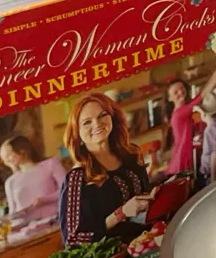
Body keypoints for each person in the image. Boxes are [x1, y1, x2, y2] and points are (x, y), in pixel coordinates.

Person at [58, 93, 152, 246]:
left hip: (150, 240)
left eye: (102, 115)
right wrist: (120, 214)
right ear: (77, 133)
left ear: (113, 118)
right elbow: (73, 239)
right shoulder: (77, 178)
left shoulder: (131, 155)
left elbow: (145, 194)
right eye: (87, 122)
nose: (97, 124)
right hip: (118, 255)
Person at [163, 54, 216, 175]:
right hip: (183, 157)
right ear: (170, 98)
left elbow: (203, 93)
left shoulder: (182, 109)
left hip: (184, 154)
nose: (180, 92)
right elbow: (204, 93)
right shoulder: (179, 114)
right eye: (176, 92)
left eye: (182, 88)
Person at [0, 134, 68, 224]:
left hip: (56, 221)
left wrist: (44, 200)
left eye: (8, 155)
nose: (6, 161)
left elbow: (67, 190)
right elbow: (12, 212)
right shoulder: (10, 182)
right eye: (4, 159)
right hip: (27, 227)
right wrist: (9, 219)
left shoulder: (51, 164)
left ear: (22, 151)